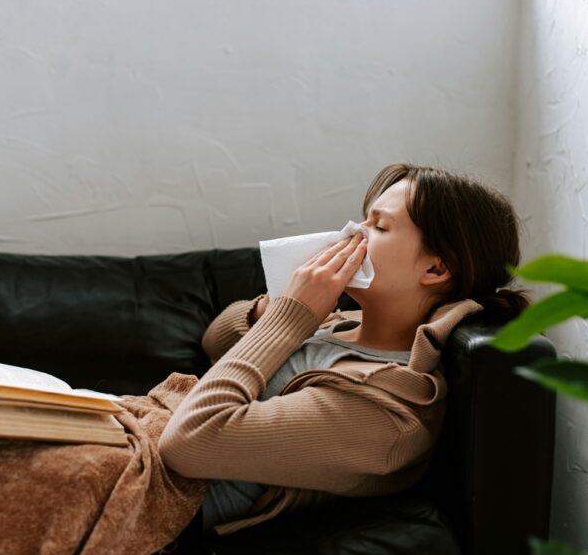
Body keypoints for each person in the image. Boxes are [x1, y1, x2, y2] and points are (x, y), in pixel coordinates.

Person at [158, 162, 531, 545]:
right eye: (362, 219)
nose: (352, 233)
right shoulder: (339, 323)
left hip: (156, 507)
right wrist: (272, 310)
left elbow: (189, 442)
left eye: (379, 226)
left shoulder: (388, 410)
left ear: (436, 268)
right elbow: (217, 342)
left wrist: (290, 320)